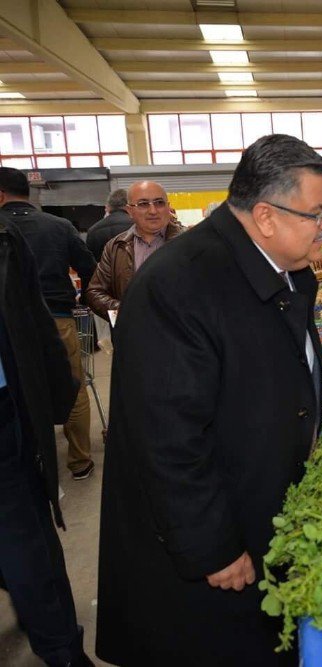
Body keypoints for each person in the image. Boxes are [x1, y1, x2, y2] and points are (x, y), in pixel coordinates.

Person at [95, 134, 322, 666]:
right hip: (213, 540)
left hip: (258, 502)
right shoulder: (181, 284)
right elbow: (166, 437)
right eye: (317, 211)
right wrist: (213, 546)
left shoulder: (279, 268)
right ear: (266, 216)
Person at [0, 210, 96, 667]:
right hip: (9, 409)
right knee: (25, 540)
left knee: (24, 541)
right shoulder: (13, 235)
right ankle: (62, 650)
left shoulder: (8, 236)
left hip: (9, 413)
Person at [0, 167, 97, 480]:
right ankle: (80, 459)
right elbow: (89, 268)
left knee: (17, 388)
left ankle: (30, 457)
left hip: (8, 328)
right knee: (73, 386)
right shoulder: (59, 226)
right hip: (58, 318)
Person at [85, 181, 183, 323]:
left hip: (182, 337)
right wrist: (125, 315)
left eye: (159, 203)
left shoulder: (191, 243)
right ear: (129, 211)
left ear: (168, 207)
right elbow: (94, 294)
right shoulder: (115, 247)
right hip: (132, 338)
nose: (153, 210)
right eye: (143, 204)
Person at [86, 188, 133, 262]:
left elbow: (91, 261)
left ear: (109, 206)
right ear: (129, 205)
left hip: (105, 272)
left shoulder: (93, 230)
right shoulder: (137, 225)